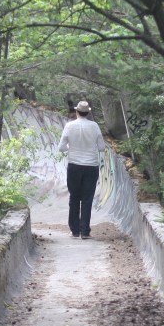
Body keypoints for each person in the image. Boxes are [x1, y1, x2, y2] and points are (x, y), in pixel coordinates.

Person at [58, 100, 105, 239]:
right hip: (91, 166)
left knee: (74, 197)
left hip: (74, 165)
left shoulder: (69, 126)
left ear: (77, 111)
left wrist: (71, 149)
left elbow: (61, 147)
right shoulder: (95, 126)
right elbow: (101, 147)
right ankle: (85, 231)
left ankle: (75, 230)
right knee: (87, 198)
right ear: (88, 112)